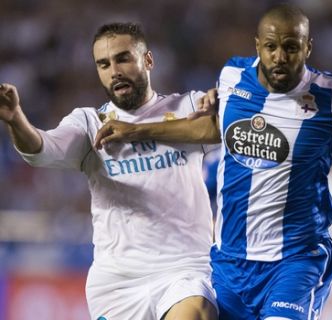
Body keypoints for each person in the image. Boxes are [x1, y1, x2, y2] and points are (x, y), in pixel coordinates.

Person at [94, 5, 332, 320]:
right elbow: (213, 129)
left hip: (295, 262)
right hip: (230, 264)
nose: (280, 57)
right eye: (271, 47)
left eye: (291, 47)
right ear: (258, 45)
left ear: (307, 48)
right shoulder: (231, 77)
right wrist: (136, 130)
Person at [0, 23, 218, 320]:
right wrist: (16, 120)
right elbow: (42, 150)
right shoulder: (89, 123)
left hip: (185, 270)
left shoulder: (188, 107)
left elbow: (219, 130)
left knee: (195, 312)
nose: (113, 70)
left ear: (148, 60)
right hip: (118, 283)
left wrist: (137, 131)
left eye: (123, 58)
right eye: (103, 64)